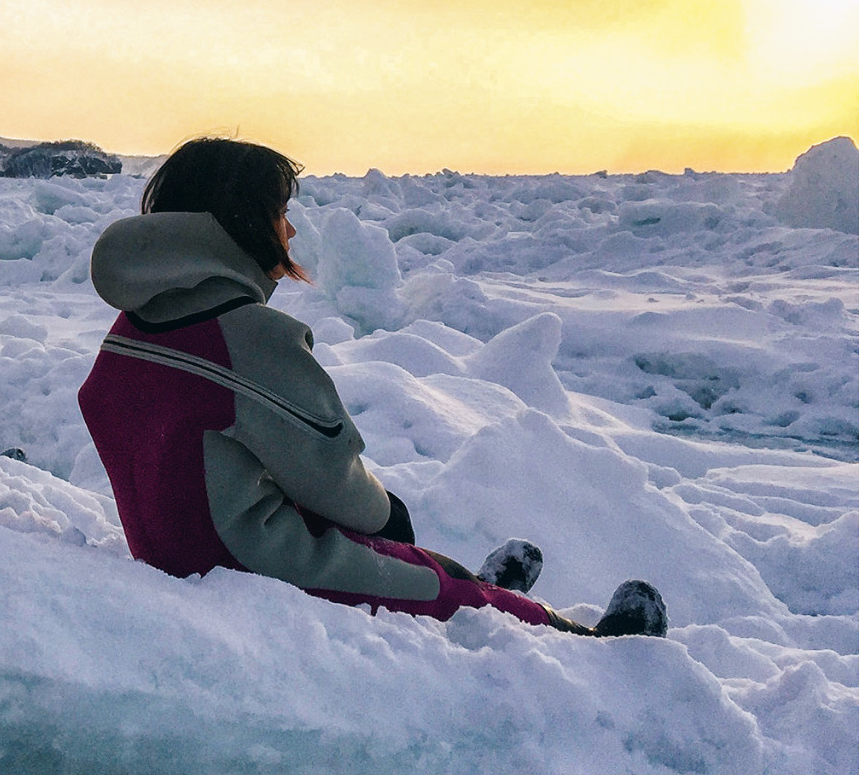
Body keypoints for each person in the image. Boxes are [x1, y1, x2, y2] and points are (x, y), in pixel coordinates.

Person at [77, 137, 668, 637]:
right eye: (280, 210)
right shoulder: (248, 336)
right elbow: (334, 478)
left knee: (399, 560)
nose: (289, 229)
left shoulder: (134, 325)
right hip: (247, 561)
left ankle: (472, 586)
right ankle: (582, 641)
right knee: (424, 578)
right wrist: (389, 518)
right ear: (239, 221)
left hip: (179, 549)